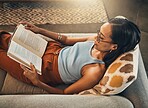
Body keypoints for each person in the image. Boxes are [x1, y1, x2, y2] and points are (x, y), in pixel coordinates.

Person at [0, 16, 141, 94]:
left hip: (42, 68)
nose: (96, 37)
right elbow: (66, 40)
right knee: (3, 36)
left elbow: (65, 93)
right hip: (47, 48)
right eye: (98, 32)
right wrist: (40, 30)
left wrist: (36, 81)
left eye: (101, 37)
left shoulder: (95, 70)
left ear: (114, 46)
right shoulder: (94, 40)